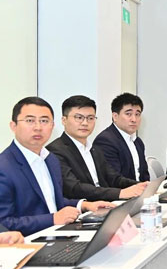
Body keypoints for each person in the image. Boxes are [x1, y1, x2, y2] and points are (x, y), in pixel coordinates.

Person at [0, 97, 112, 236]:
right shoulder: (4, 167)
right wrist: (53, 219)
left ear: (52, 126)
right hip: (27, 243)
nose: (38, 127)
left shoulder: (51, 159)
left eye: (44, 121)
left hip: (57, 235)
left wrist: (84, 205)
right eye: (30, 121)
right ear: (13, 126)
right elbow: (3, 223)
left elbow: (51, 201)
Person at [46, 95, 147, 201]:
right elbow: (74, 188)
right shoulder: (55, 150)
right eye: (79, 118)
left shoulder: (94, 149)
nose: (85, 123)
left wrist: (141, 186)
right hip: (83, 207)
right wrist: (120, 193)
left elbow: (113, 178)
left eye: (90, 118)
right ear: (64, 120)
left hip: (105, 203)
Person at [94, 93, 150, 182]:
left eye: (137, 114)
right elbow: (113, 180)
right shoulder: (105, 140)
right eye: (128, 114)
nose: (134, 119)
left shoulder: (138, 142)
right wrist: (140, 187)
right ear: (115, 116)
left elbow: (144, 175)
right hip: (121, 190)